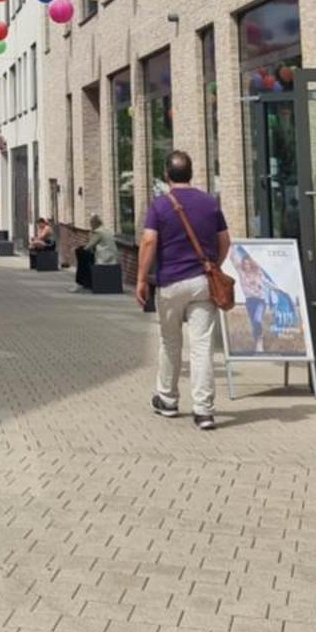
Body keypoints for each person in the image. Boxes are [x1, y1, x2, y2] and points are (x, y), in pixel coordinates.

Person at [135, 149, 230, 432]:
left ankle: (167, 399)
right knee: (201, 346)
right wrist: (213, 266)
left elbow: (150, 241)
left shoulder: (160, 205)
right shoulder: (210, 203)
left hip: (171, 283)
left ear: (167, 175)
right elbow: (224, 240)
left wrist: (141, 278)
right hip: (203, 282)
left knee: (170, 341)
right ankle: (204, 411)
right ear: (191, 172)